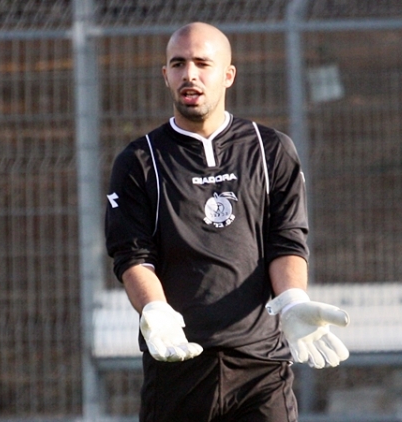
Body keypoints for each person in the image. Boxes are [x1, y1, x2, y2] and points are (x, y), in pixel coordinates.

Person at [105, 21, 350, 422]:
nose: (190, 74)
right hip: (178, 361)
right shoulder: (139, 161)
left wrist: (292, 300)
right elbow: (133, 256)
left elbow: (287, 241)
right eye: (178, 64)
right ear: (165, 75)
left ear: (228, 74)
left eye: (203, 63)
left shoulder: (271, 150)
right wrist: (154, 310)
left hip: (262, 366)